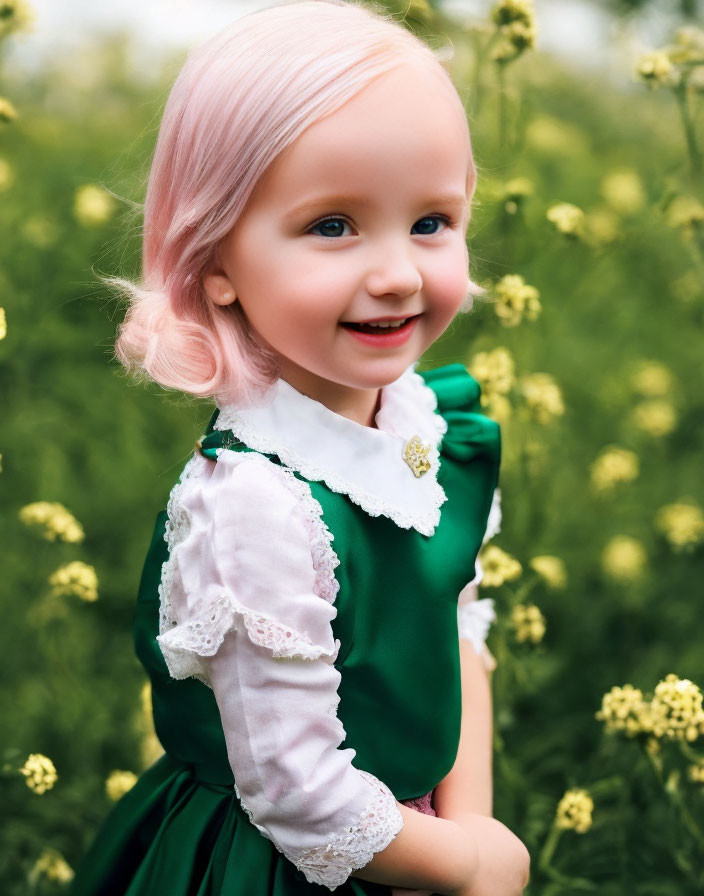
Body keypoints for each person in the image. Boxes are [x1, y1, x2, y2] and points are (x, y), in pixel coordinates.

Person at [70, 1, 530, 894]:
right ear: (217, 261)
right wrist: (467, 863)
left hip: (420, 842)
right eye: (333, 226)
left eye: (431, 221)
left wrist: (471, 828)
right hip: (278, 865)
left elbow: (453, 627)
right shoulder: (255, 504)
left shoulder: (429, 430)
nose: (396, 271)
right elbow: (299, 796)